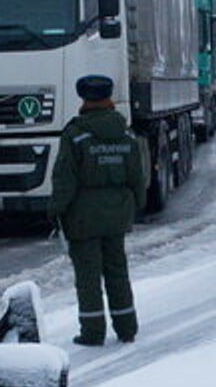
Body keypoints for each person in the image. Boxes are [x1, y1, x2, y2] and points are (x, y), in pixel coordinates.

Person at [48, 75, 150, 345]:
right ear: (109, 98)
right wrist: (136, 205)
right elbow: (137, 175)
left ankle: (93, 332)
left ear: (83, 98)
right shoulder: (126, 133)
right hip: (117, 213)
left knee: (88, 276)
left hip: (83, 216)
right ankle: (127, 327)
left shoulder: (76, 134)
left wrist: (55, 210)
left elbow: (65, 178)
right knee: (118, 271)